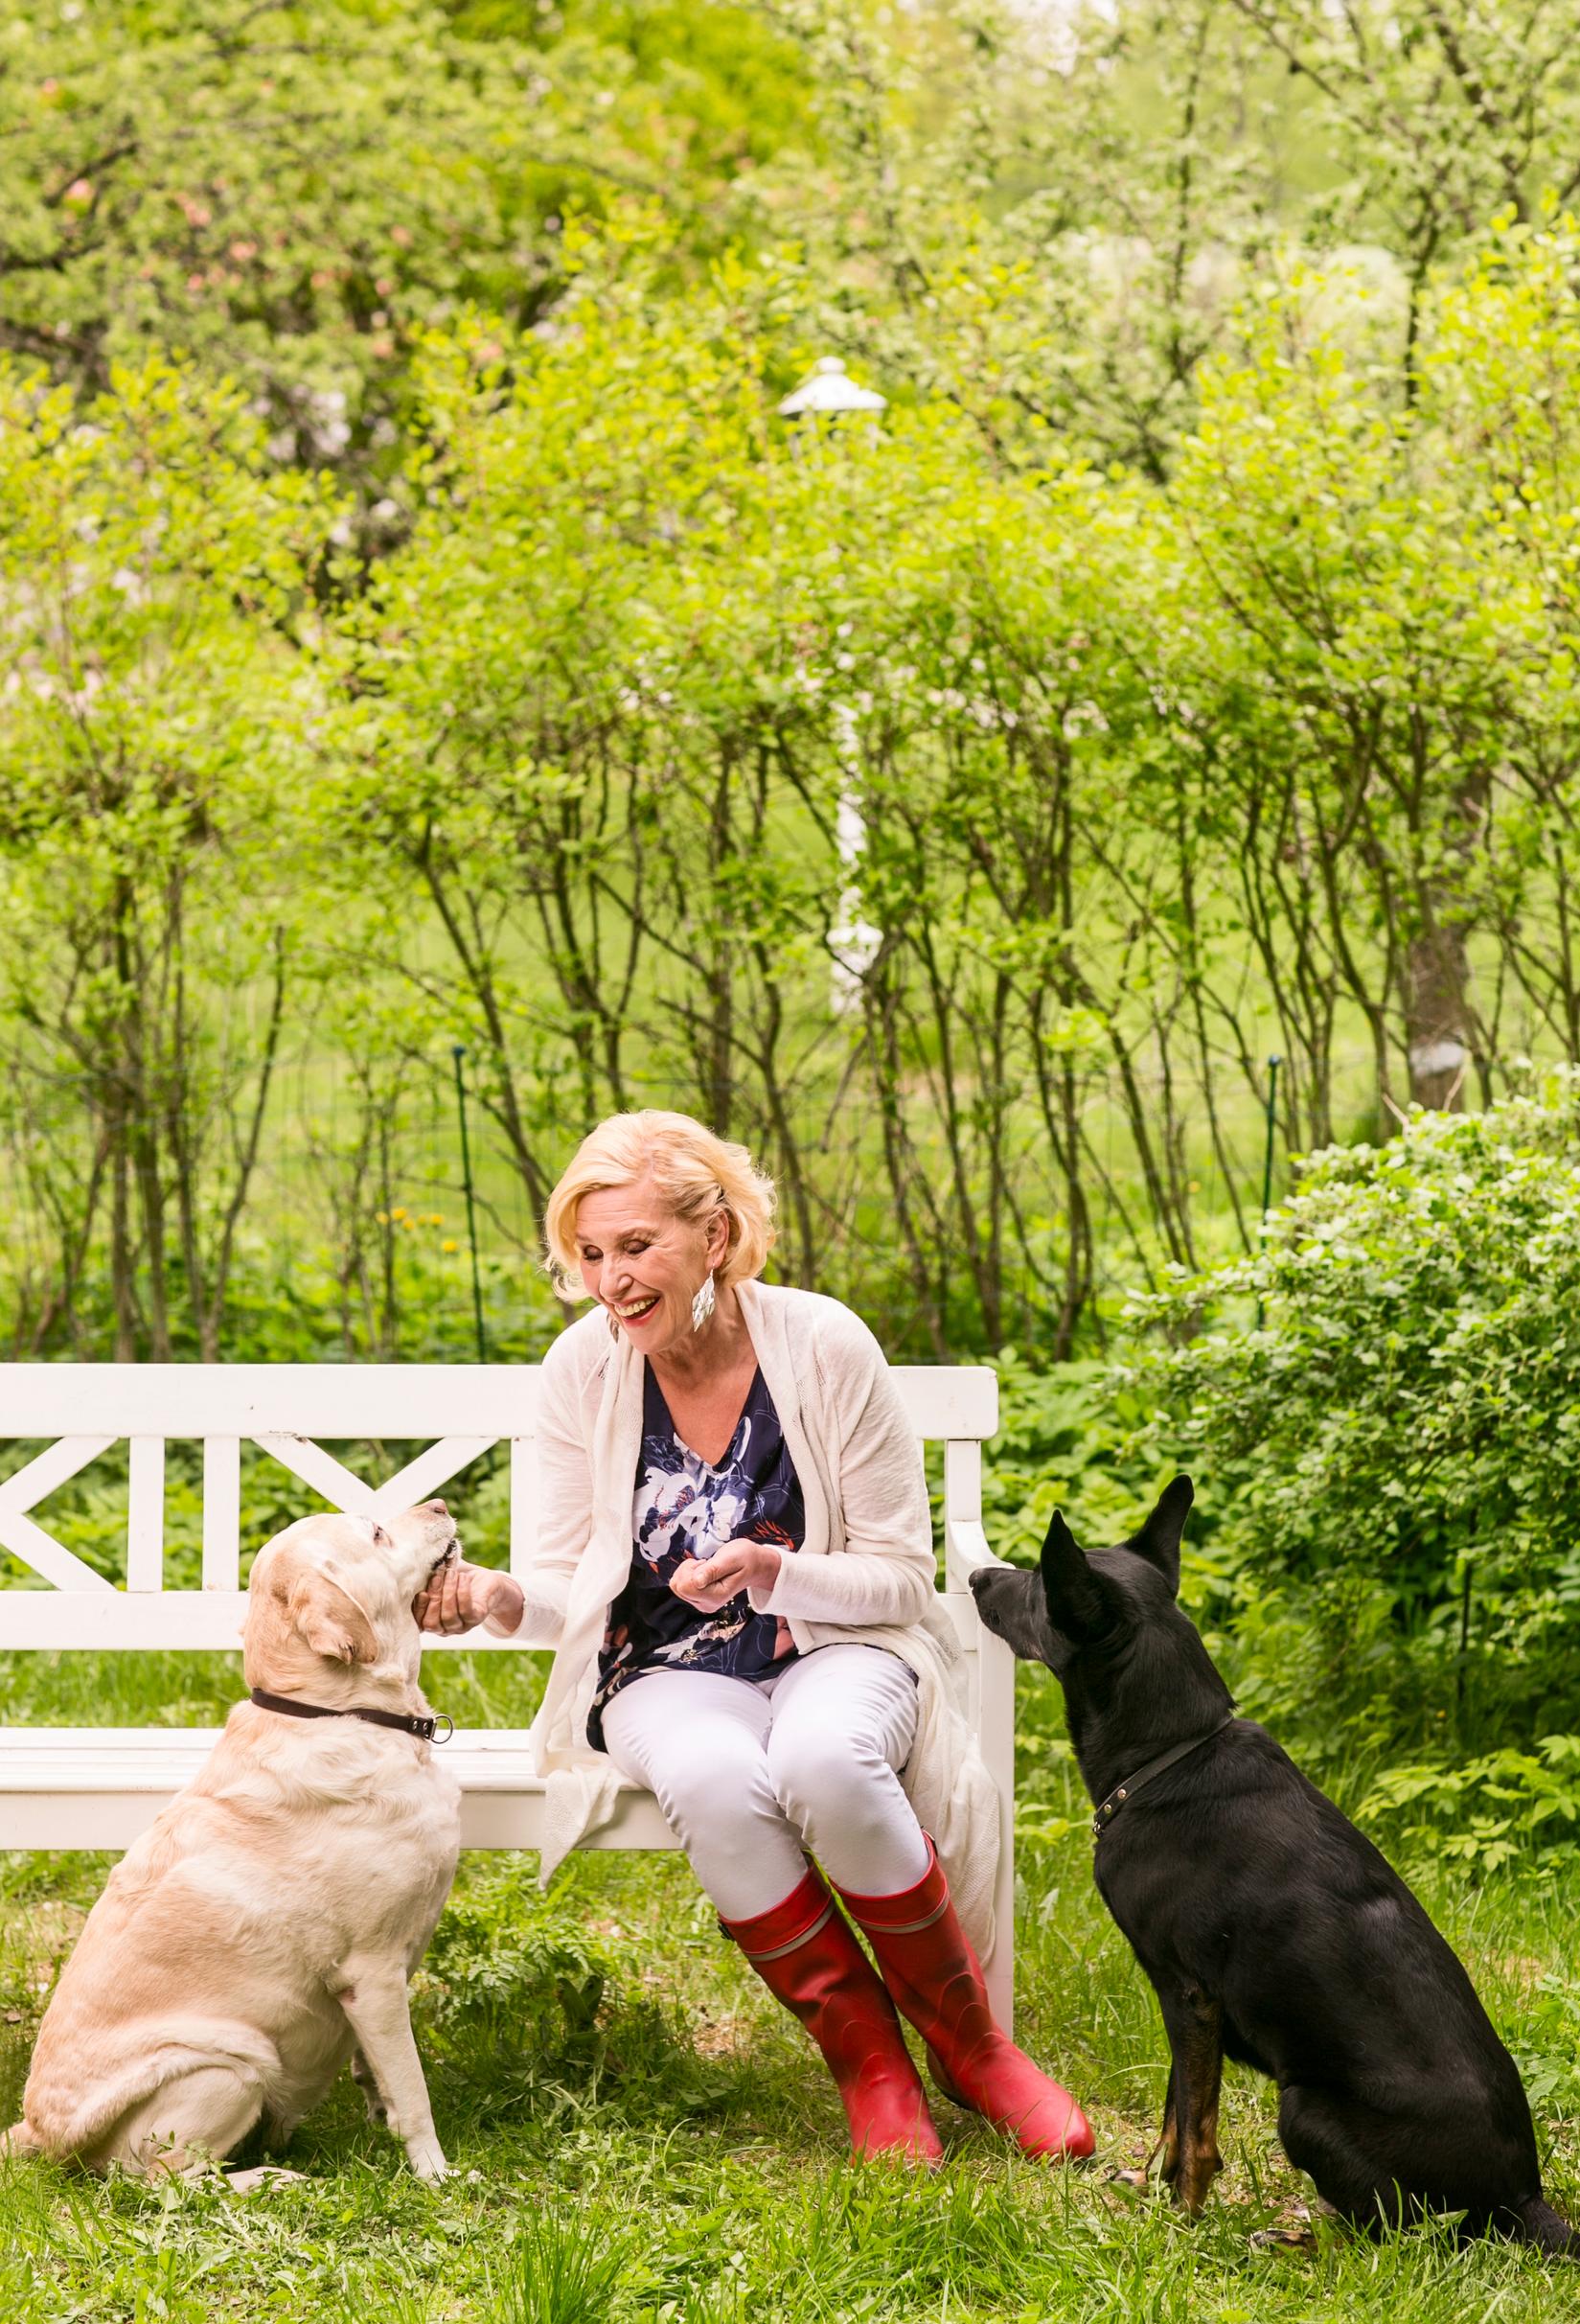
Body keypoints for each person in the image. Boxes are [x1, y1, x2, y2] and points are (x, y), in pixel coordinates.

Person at [417, 1110, 1092, 2166]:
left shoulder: (823, 1344)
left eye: (635, 1245)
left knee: (826, 1755)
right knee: (714, 1777)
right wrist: (502, 1596)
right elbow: (563, 1590)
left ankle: (973, 2049)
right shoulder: (581, 1369)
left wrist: (778, 1573)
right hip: (663, 1669)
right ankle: (869, 2066)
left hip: (838, 1643)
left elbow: (901, 1575)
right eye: (588, 1254)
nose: (610, 1281)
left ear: (715, 1236)